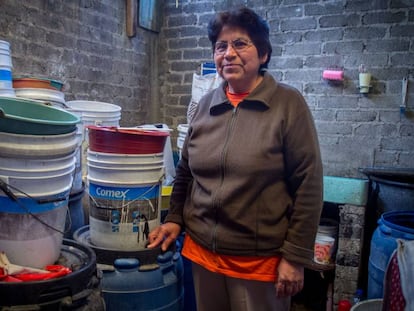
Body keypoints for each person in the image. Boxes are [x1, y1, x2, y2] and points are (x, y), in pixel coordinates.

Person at [148, 6, 323, 311]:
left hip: (258, 263)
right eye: (220, 46)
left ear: (263, 54)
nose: (228, 53)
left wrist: (295, 258)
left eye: (240, 43)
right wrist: (175, 218)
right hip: (203, 256)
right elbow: (186, 171)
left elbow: (309, 185)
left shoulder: (286, 105)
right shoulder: (205, 106)